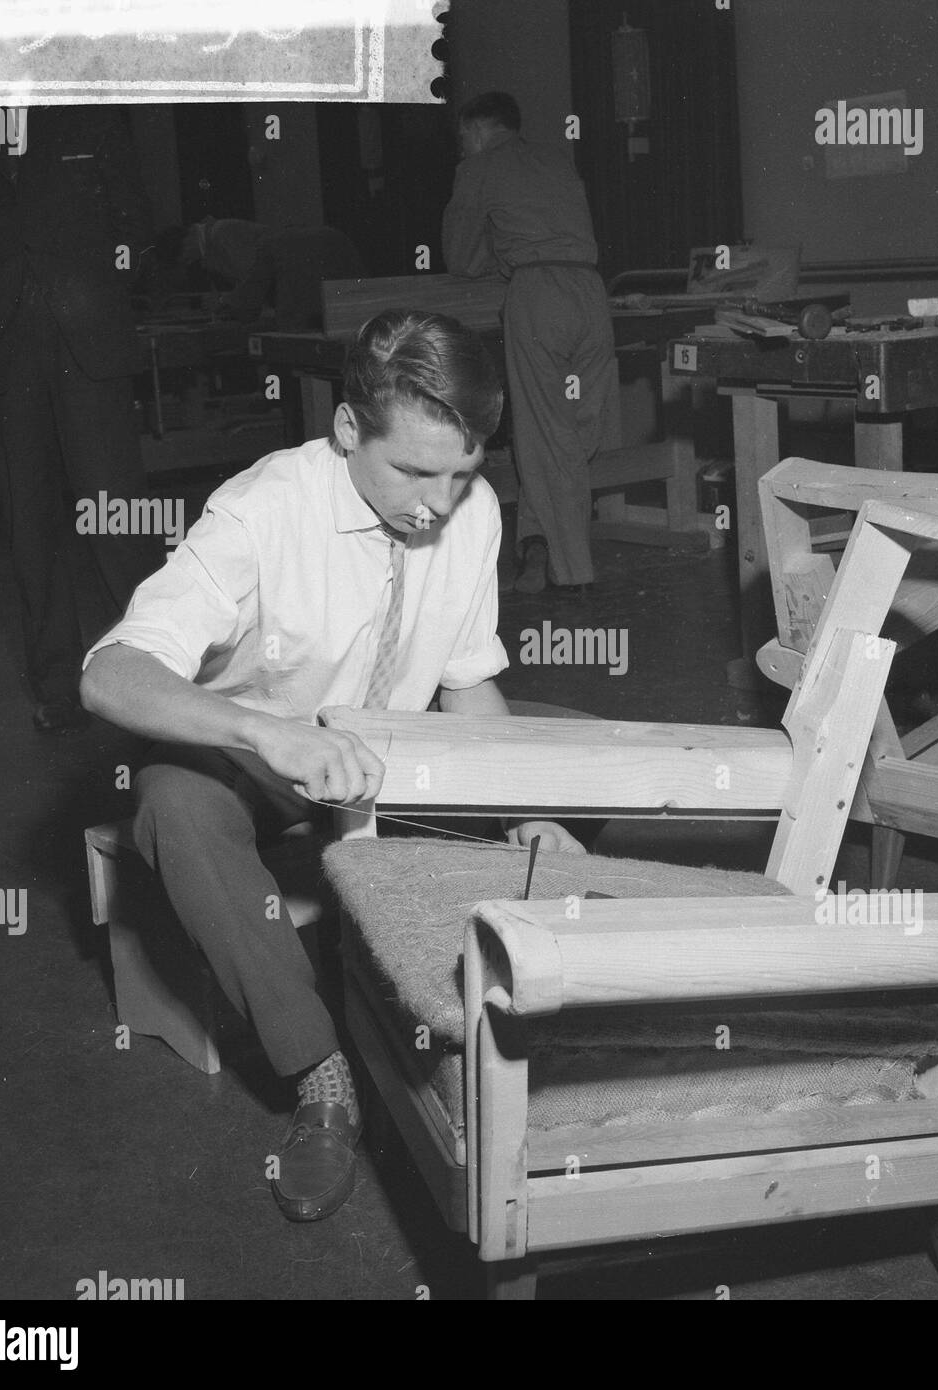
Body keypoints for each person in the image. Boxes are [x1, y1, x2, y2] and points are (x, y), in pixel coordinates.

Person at [80, 309, 583, 1223]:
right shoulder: (261, 509)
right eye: (415, 472)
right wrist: (267, 735)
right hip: (259, 760)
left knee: (588, 760)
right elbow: (109, 673)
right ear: (349, 429)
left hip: (391, 752)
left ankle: (525, 1022)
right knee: (174, 805)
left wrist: (529, 807)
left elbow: (469, 686)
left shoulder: (472, 516)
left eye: (462, 475)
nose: (437, 503)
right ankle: (321, 1071)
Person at [0, 107, 161, 731]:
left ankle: (154, 677)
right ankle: (60, 688)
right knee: (28, 526)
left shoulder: (89, 114)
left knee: (118, 519)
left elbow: (135, 218)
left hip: (87, 339)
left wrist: (104, 280)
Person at [442, 90, 619, 596]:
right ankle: (537, 544)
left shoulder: (477, 169)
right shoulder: (556, 161)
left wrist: (498, 253)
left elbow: (461, 258)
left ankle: (573, 573)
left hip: (538, 295)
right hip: (591, 291)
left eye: (462, 137)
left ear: (475, 132)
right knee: (580, 428)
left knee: (546, 436)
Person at [178, 217, 366, 332]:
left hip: (308, 262)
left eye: (186, 257)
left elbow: (251, 287)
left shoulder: (221, 235)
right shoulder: (223, 235)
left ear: (187, 240)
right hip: (336, 245)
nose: (190, 261)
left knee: (298, 330)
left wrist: (223, 303)